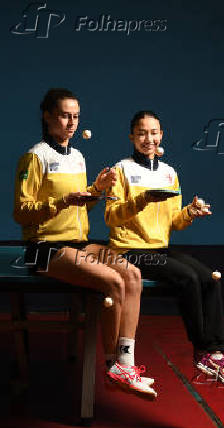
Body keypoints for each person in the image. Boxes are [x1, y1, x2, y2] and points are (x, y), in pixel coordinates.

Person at [13, 91, 157, 399]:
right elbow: (20, 212)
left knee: (131, 275)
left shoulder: (78, 157)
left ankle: (126, 363)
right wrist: (61, 201)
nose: (71, 123)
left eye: (75, 116)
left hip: (80, 243)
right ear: (47, 116)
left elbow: (81, 208)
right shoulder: (35, 157)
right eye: (64, 115)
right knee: (111, 281)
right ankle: (112, 367)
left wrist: (95, 190)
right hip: (46, 248)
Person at [105, 110, 224, 391]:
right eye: (142, 133)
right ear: (132, 137)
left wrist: (190, 213)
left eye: (154, 132)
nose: (149, 138)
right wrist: (142, 200)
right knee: (187, 278)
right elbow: (111, 217)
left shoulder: (169, 173)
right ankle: (202, 351)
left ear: (161, 135)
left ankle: (217, 353)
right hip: (130, 249)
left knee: (209, 277)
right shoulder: (120, 170)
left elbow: (174, 222)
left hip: (160, 248)